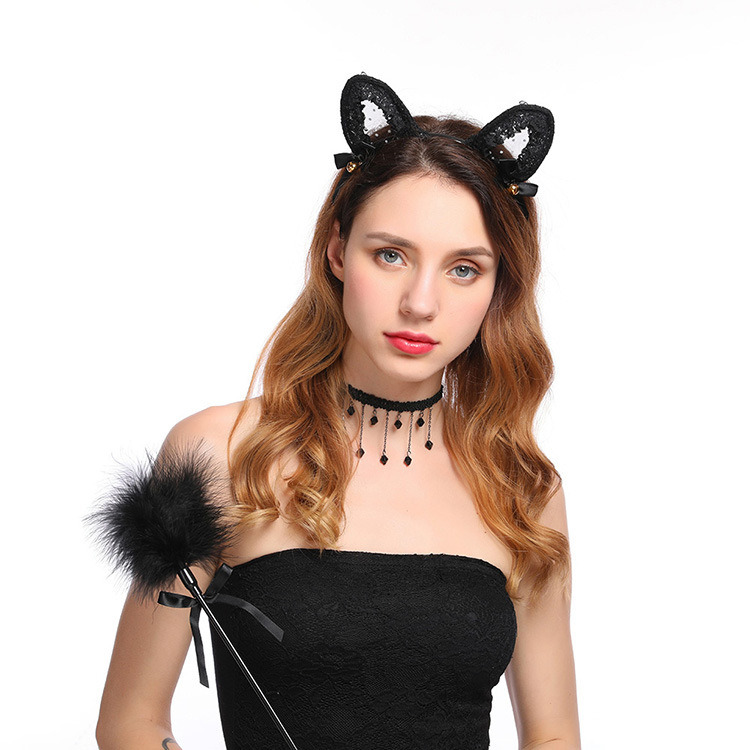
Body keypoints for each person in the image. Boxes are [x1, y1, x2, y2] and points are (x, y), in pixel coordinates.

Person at [95, 74, 581, 750]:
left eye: (464, 269)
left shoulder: (523, 488)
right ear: (337, 252)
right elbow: (131, 723)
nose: (420, 303)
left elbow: (554, 735)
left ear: (499, 287)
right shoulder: (219, 453)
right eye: (391, 255)